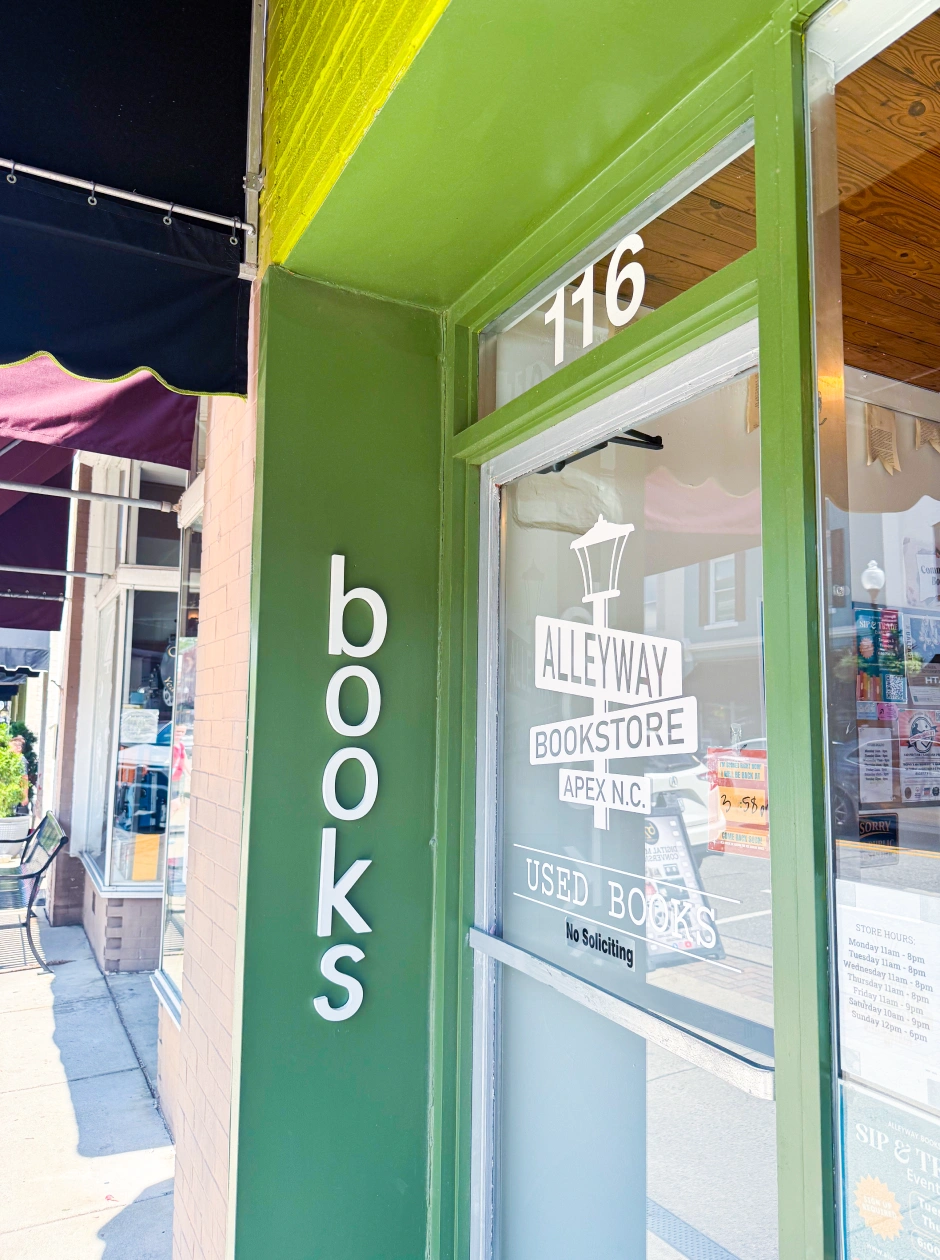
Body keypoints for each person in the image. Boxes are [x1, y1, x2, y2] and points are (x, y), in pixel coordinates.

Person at [10, 734, 29, 815]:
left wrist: (25, 796)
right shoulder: (13, 759)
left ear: (19, 748)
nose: (9, 750)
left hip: (15, 794)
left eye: (10, 747)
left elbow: (24, 778)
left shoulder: (21, 760)